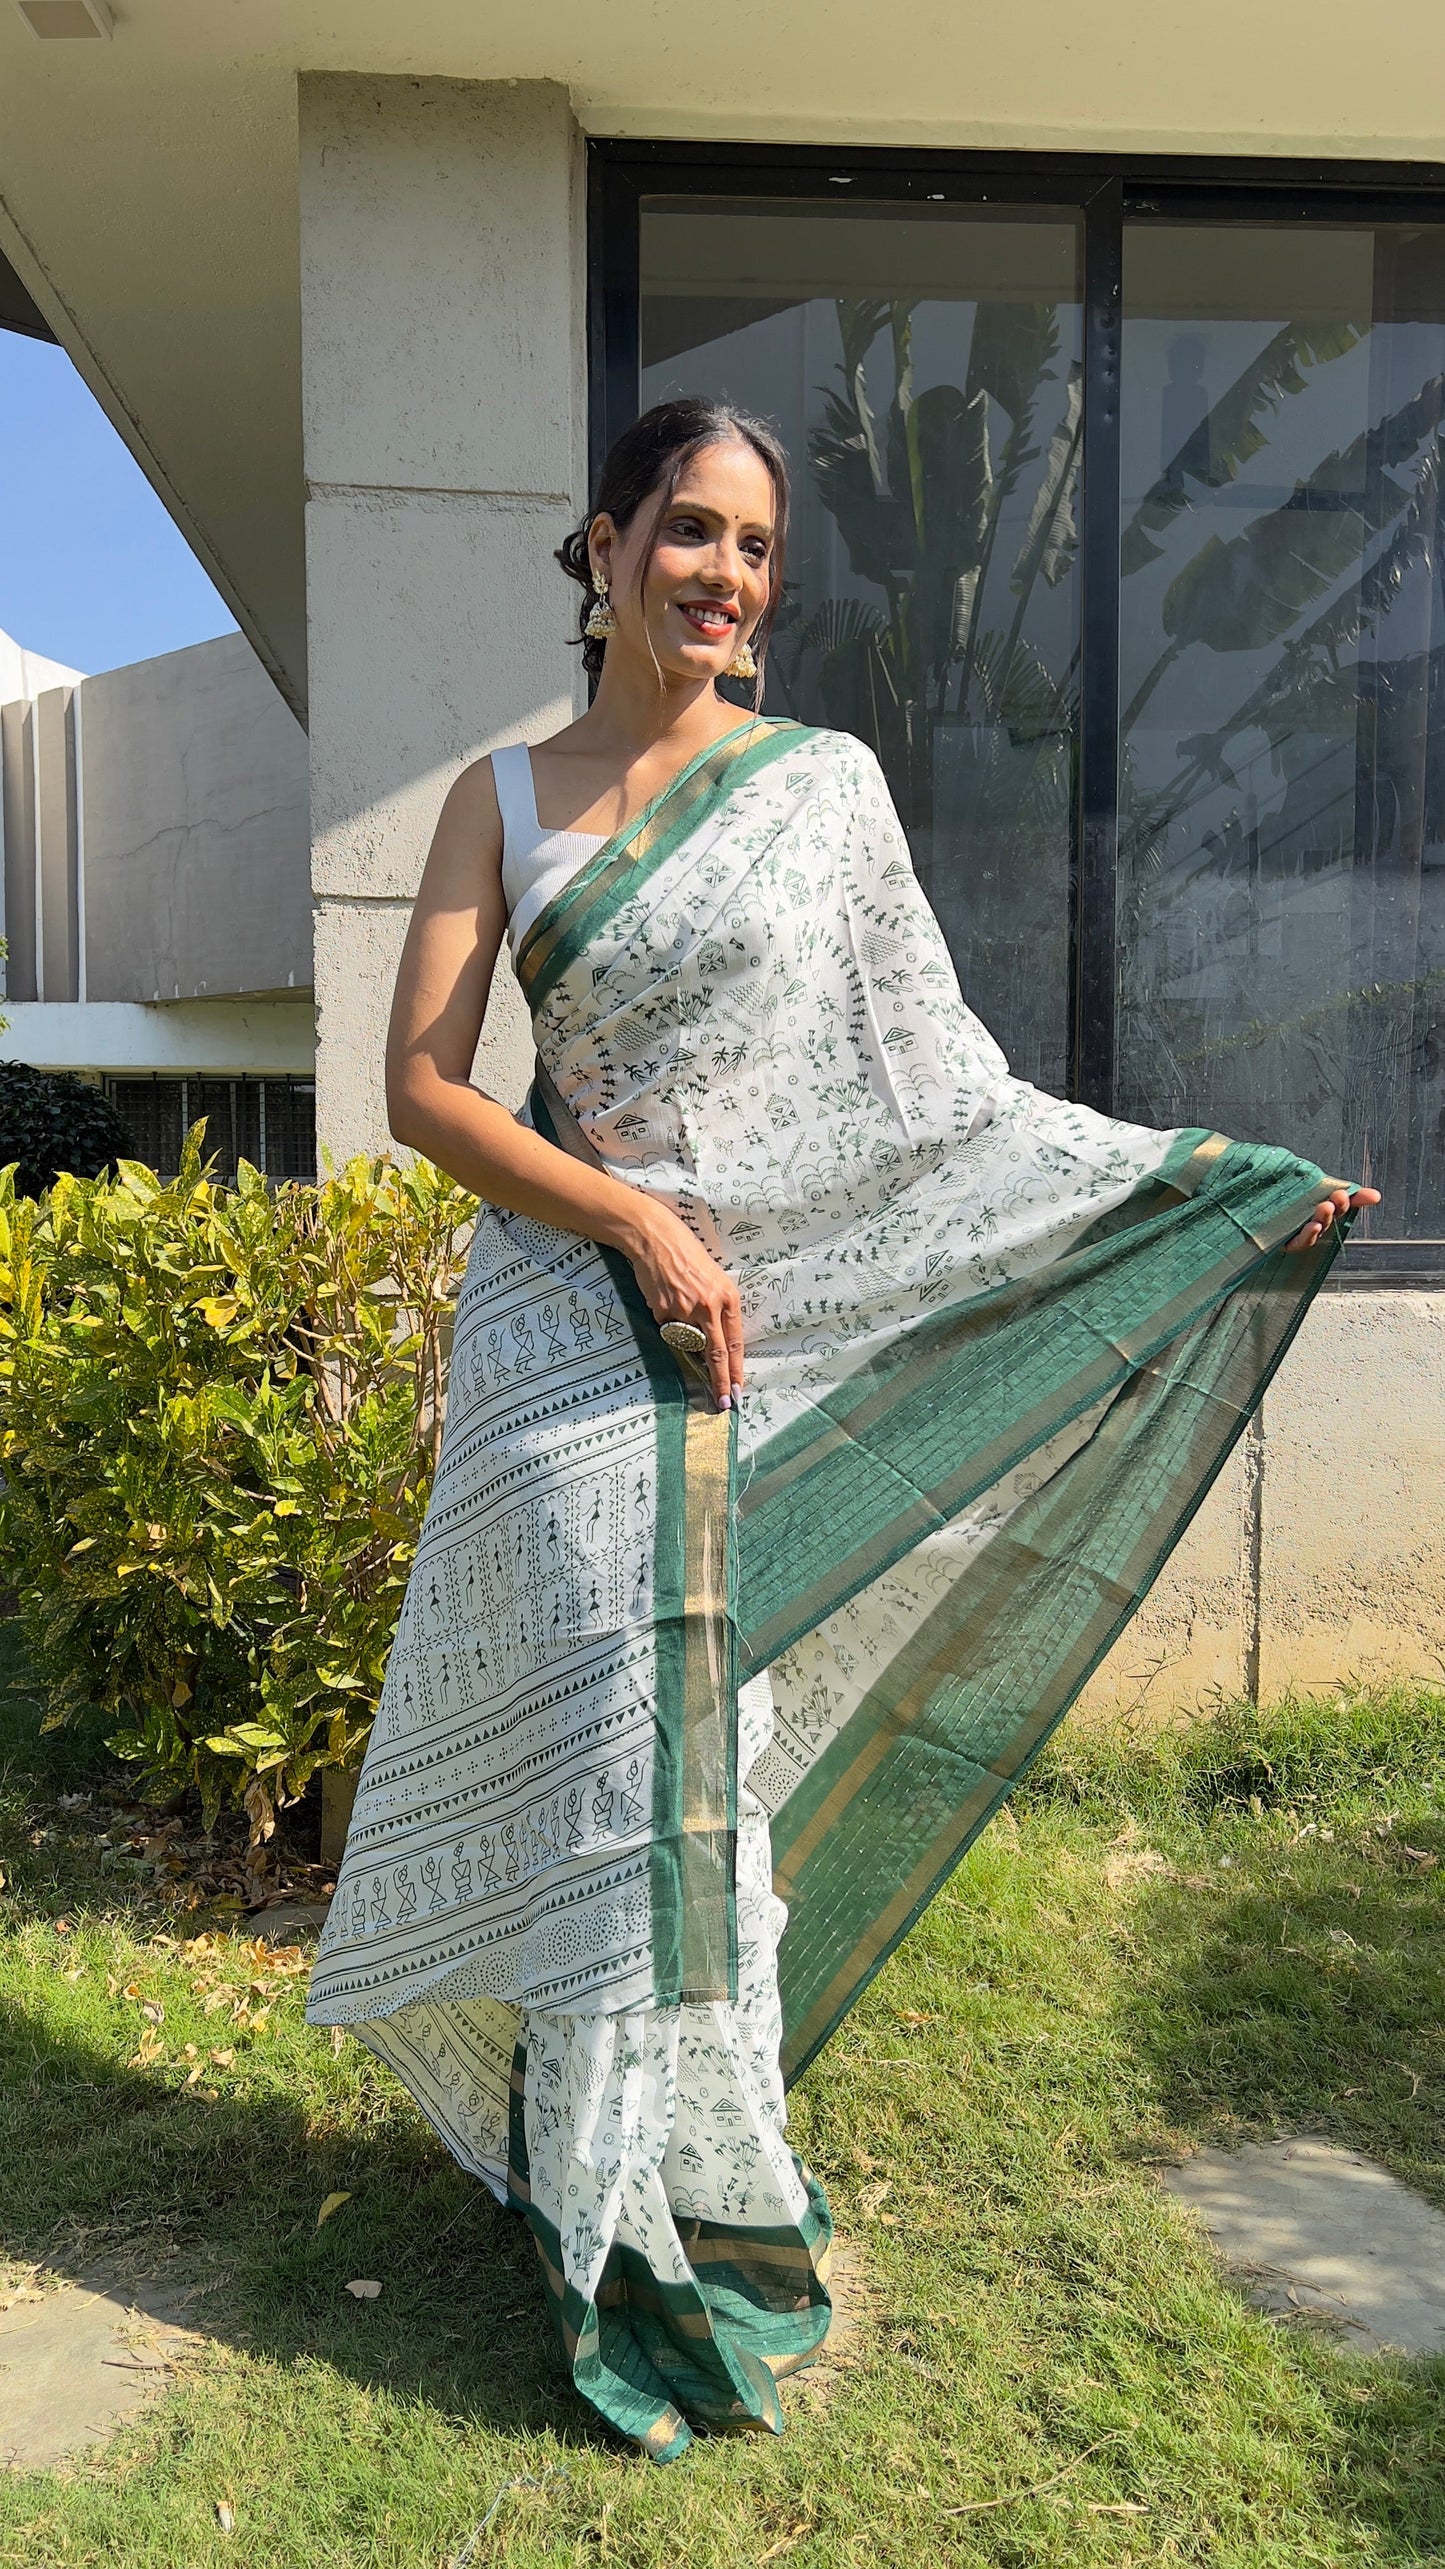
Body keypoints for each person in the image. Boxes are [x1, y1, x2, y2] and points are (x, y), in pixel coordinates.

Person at [306, 396, 1377, 2459]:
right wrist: (628, 1214)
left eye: (755, 550)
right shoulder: (502, 799)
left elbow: (940, 1092)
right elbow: (426, 1088)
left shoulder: (826, 790)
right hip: (561, 1336)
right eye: (687, 532)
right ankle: (591, 2203)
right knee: (610, 1776)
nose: (721, 575)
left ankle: (696, 2197)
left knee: (695, 1782)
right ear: (604, 541)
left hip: (752, 1352)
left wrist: (1200, 1187)